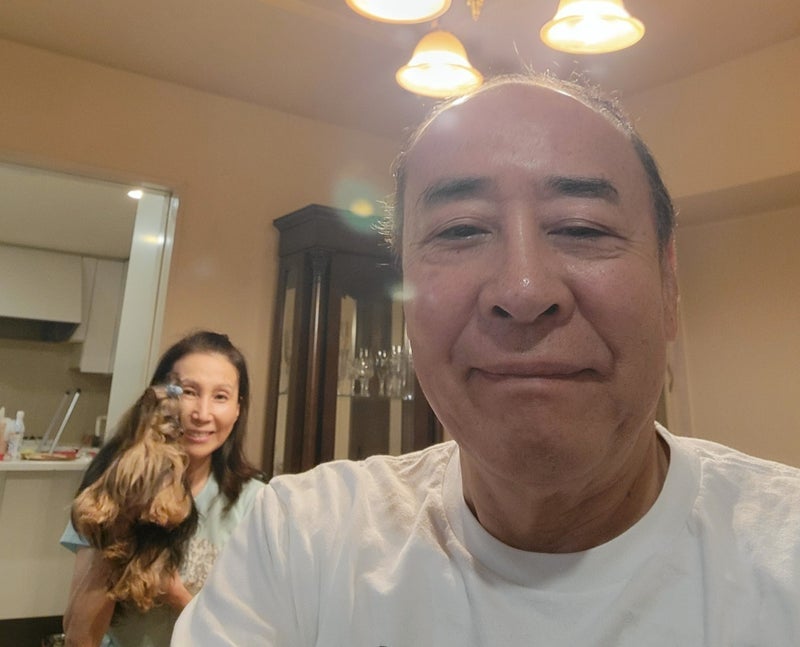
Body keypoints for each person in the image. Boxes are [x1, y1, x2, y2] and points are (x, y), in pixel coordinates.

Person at [172, 74, 800, 645]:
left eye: (582, 227)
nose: (523, 290)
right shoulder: (300, 543)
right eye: (460, 231)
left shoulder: (783, 551)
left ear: (669, 285)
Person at [61, 330, 266, 647]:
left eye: (220, 397)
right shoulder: (112, 483)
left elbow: (249, 635)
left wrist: (176, 594)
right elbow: (78, 638)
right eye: (188, 392)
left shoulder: (256, 504)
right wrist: (119, 526)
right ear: (159, 399)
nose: (202, 414)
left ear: (238, 409)